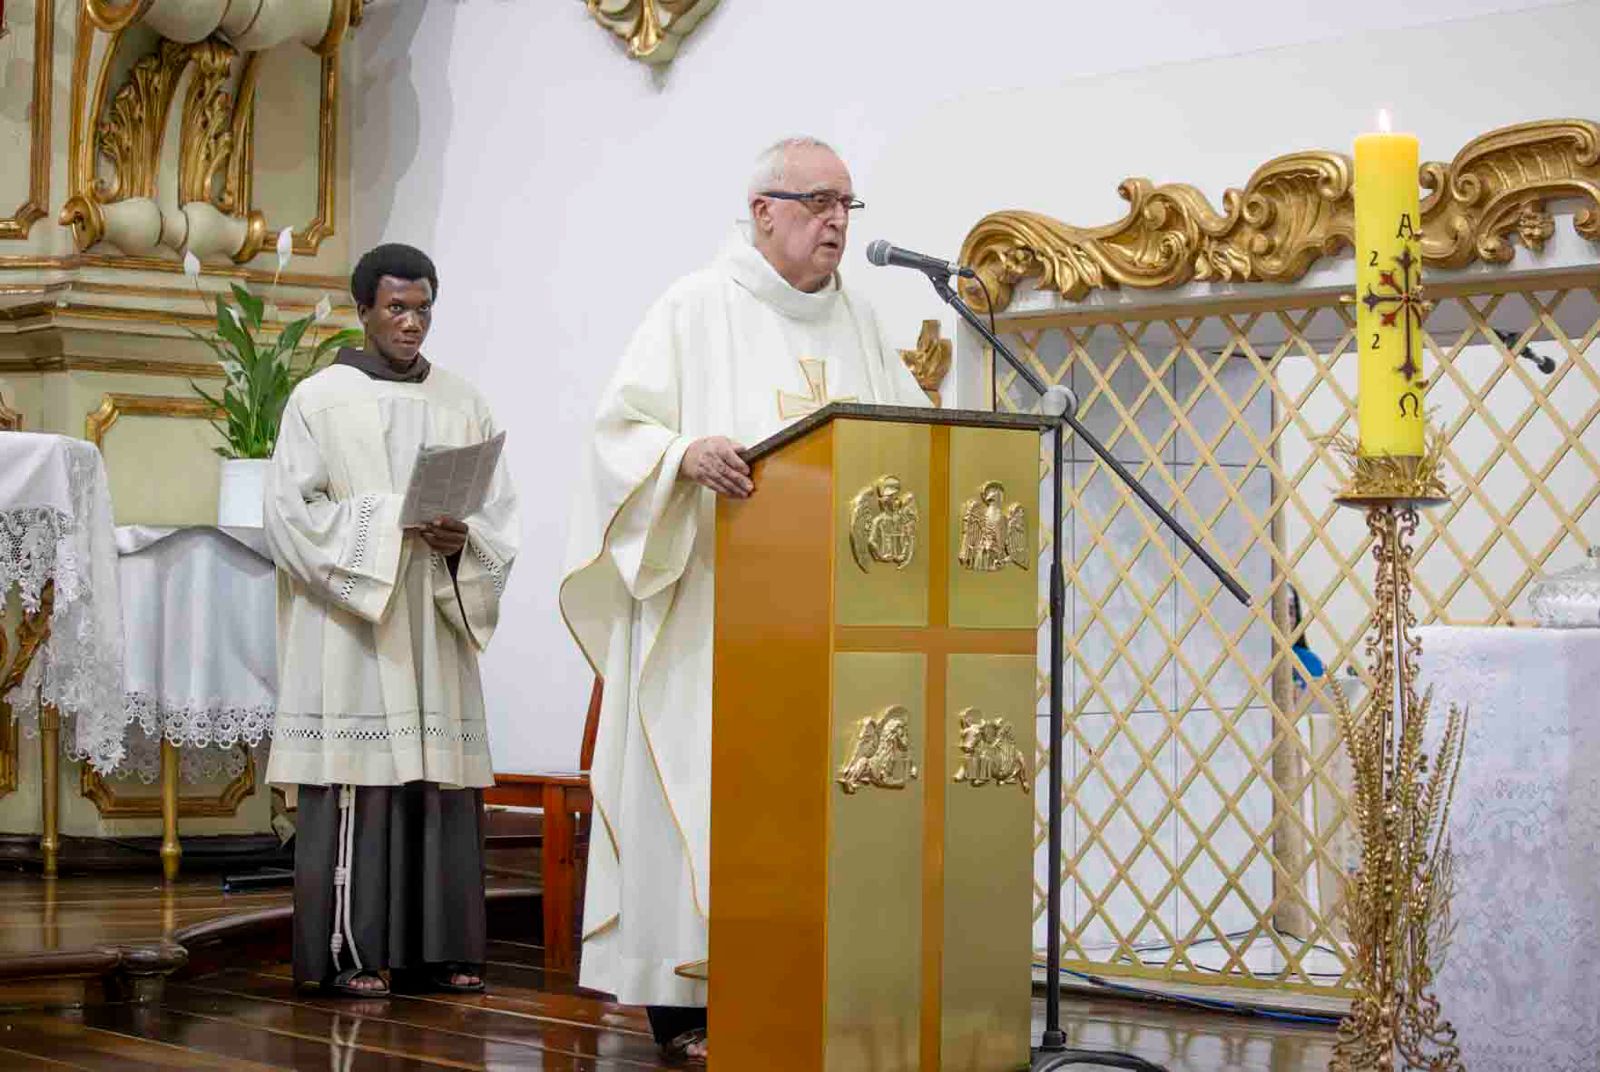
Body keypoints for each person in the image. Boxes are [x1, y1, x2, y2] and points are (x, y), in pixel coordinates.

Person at [560, 137, 929, 1062]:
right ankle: (688, 995)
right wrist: (682, 455)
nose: (837, 221)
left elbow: (907, 440)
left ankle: (811, 982)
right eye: (818, 202)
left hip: (830, 619)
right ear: (763, 211)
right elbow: (618, 432)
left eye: (846, 204)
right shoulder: (695, 307)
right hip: (713, 611)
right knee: (709, 789)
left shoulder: (862, 322)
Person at [264, 243, 520, 998]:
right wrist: (386, 524)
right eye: (397, 308)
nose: (412, 323)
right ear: (364, 311)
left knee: (439, 781)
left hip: (433, 618)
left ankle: (442, 950)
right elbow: (289, 516)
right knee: (361, 782)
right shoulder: (319, 399)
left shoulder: (463, 401)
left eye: (423, 309)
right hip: (356, 628)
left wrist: (460, 540)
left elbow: (498, 513)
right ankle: (353, 953)